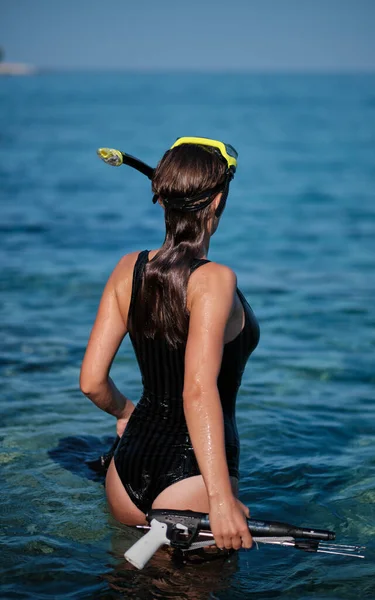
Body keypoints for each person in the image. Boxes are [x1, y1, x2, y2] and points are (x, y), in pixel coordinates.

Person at [80, 137, 260, 552]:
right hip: (192, 482)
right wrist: (220, 500)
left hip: (125, 473)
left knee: (129, 583)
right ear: (217, 202)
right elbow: (196, 391)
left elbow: (91, 382)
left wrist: (128, 412)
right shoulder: (215, 280)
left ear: (161, 200)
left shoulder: (129, 268)